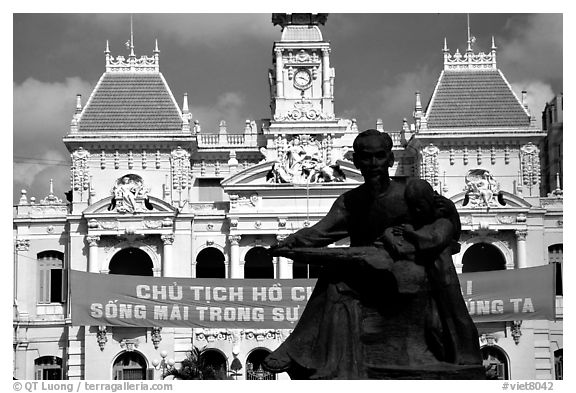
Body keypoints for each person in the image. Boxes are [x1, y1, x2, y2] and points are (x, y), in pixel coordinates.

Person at [262, 129, 482, 379]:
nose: (374, 163)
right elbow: (320, 232)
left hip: (411, 270)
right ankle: (327, 362)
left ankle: (298, 349)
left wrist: (418, 239)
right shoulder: (350, 201)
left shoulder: (411, 189)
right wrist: (290, 243)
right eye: (366, 157)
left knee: (342, 271)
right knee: (335, 275)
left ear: (390, 159)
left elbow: (445, 221)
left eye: (380, 156)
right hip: (369, 272)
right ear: (356, 161)